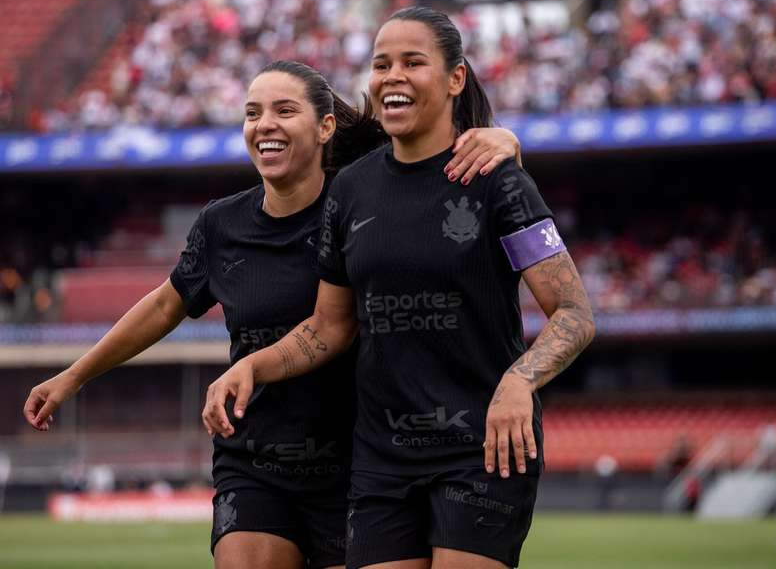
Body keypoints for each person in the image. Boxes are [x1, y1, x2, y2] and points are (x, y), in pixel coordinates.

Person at [22, 59, 523, 569]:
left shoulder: (362, 207)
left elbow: (436, 170)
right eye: (252, 113)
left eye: (285, 110)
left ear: (325, 127)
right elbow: (163, 305)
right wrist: (74, 375)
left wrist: (505, 143)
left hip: (356, 464)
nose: (265, 125)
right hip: (254, 461)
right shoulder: (221, 224)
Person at [203, 7, 595, 569]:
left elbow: (575, 314)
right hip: (381, 460)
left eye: (414, 62)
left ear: (455, 78)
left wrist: (519, 382)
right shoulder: (352, 189)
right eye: (382, 63)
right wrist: (252, 367)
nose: (393, 76)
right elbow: (329, 326)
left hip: (482, 449)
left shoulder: (499, 181)